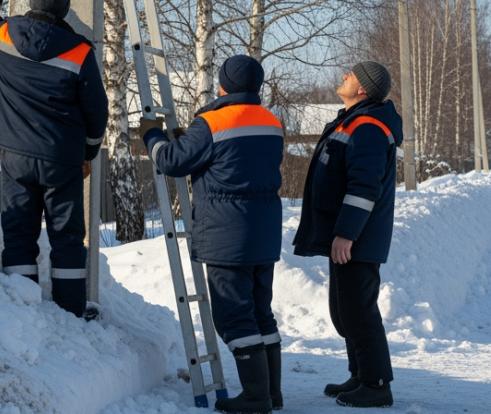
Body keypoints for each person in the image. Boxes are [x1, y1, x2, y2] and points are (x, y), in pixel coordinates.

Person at [141, 55, 285, 414]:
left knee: (235, 317)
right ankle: (271, 394)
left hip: (228, 235)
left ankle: (255, 398)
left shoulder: (211, 122)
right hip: (264, 232)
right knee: (260, 312)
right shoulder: (272, 121)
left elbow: (172, 161)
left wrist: (152, 136)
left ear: (222, 85)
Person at [0, 0, 108, 319]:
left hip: (15, 156)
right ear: (65, 12)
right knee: (65, 237)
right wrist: (88, 154)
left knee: (18, 231)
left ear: (31, 5)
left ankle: (22, 306)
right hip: (62, 160)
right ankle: (70, 311)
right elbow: (98, 114)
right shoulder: (79, 53)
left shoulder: (3, 35)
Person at [292, 61, 402, 409]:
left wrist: (346, 234)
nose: (344, 76)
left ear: (363, 89)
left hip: (359, 239)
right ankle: (360, 374)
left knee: (359, 312)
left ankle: (377, 384)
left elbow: (363, 188)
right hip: (350, 236)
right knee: (344, 312)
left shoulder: (367, 127)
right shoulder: (352, 121)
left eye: (351, 75)